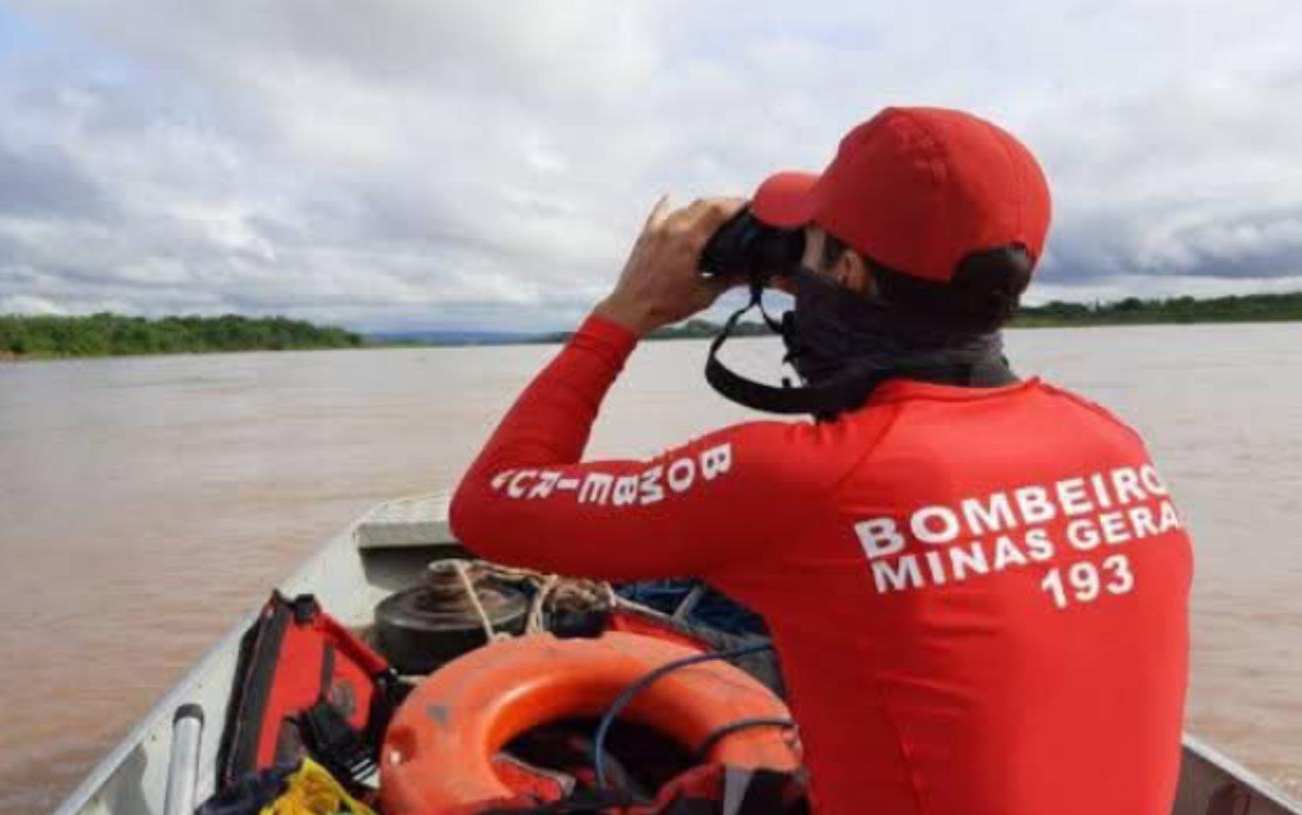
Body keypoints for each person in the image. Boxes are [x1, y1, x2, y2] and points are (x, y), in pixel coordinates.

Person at [448, 106, 1192, 815]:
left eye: (810, 247)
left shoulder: (797, 481)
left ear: (852, 275)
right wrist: (828, 275)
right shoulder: (1109, 440)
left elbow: (491, 505)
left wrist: (625, 309)